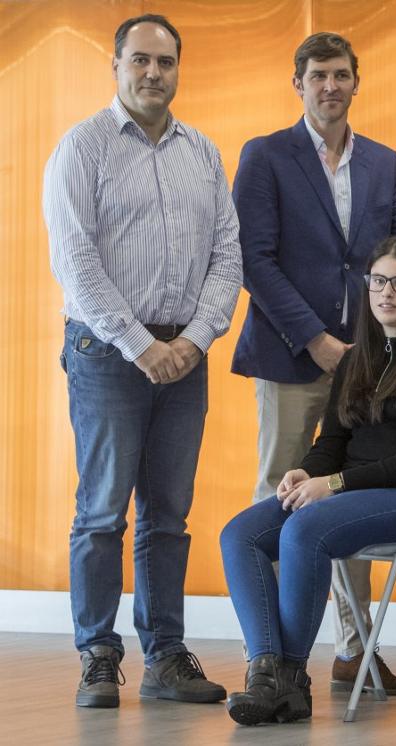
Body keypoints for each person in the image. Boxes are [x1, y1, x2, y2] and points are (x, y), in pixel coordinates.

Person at [43, 13, 242, 709]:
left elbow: (227, 255)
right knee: (102, 512)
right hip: (107, 353)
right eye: (141, 61)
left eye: (165, 61)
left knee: (168, 515)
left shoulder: (203, 153)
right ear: (117, 65)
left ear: (178, 68)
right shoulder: (83, 148)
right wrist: (141, 345)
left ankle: (165, 656)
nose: (153, 73)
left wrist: (194, 339)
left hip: (184, 358)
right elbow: (76, 263)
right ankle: (99, 657)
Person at [219, 237, 396, 725]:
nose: (387, 293)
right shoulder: (357, 358)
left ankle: (291, 679)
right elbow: (332, 440)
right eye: (378, 281)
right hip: (355, 492)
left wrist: (334, 485)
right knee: (240, 535)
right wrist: (307, 471)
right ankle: (267, 671)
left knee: (304, 529)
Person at [230, 31, 396, 694]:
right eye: (318, 76)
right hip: (290, 356)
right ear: (298, 84)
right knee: (281, 498)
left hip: (366, 366)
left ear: (355, 82)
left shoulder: (384, 162)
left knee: (348, 499)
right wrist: (314, 339)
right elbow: (255, 259)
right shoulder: (266, 156)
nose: (330, 86)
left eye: (341, 75)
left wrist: (371, 347)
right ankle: (274, 656)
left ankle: (353, 650)